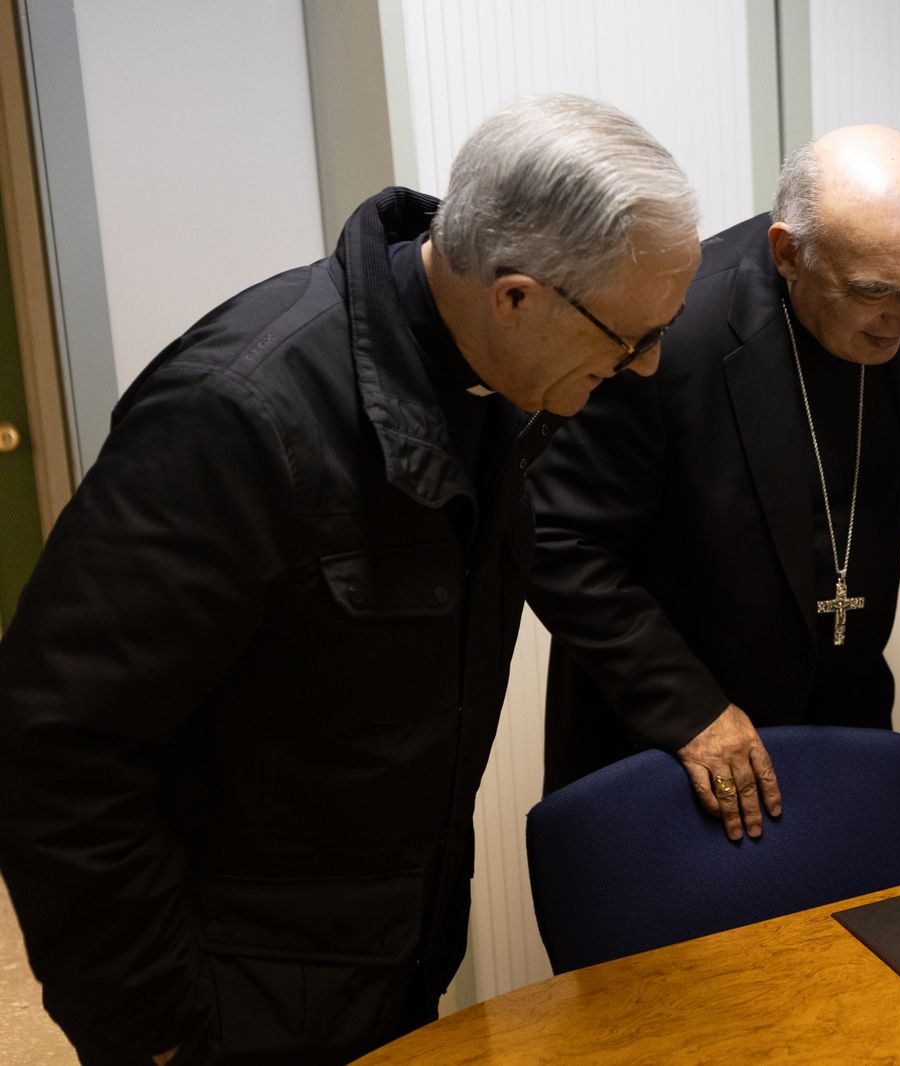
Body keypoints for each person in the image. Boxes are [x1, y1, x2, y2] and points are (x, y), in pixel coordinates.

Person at [0, 95, 700, 1065]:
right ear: (516, 296)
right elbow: (57, 749)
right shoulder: (238, 416)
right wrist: (155, 1034)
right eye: (629, 338)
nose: (646, 366)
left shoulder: (505, 389)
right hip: (232, 994)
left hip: (394, 958)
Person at [527, 125, 900, 841]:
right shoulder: (670, 331)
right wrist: (690, 711)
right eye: (878, 293)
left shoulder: (895, 327)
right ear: (789, 253)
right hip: (668, 745)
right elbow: (557, 540)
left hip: (832, 736)